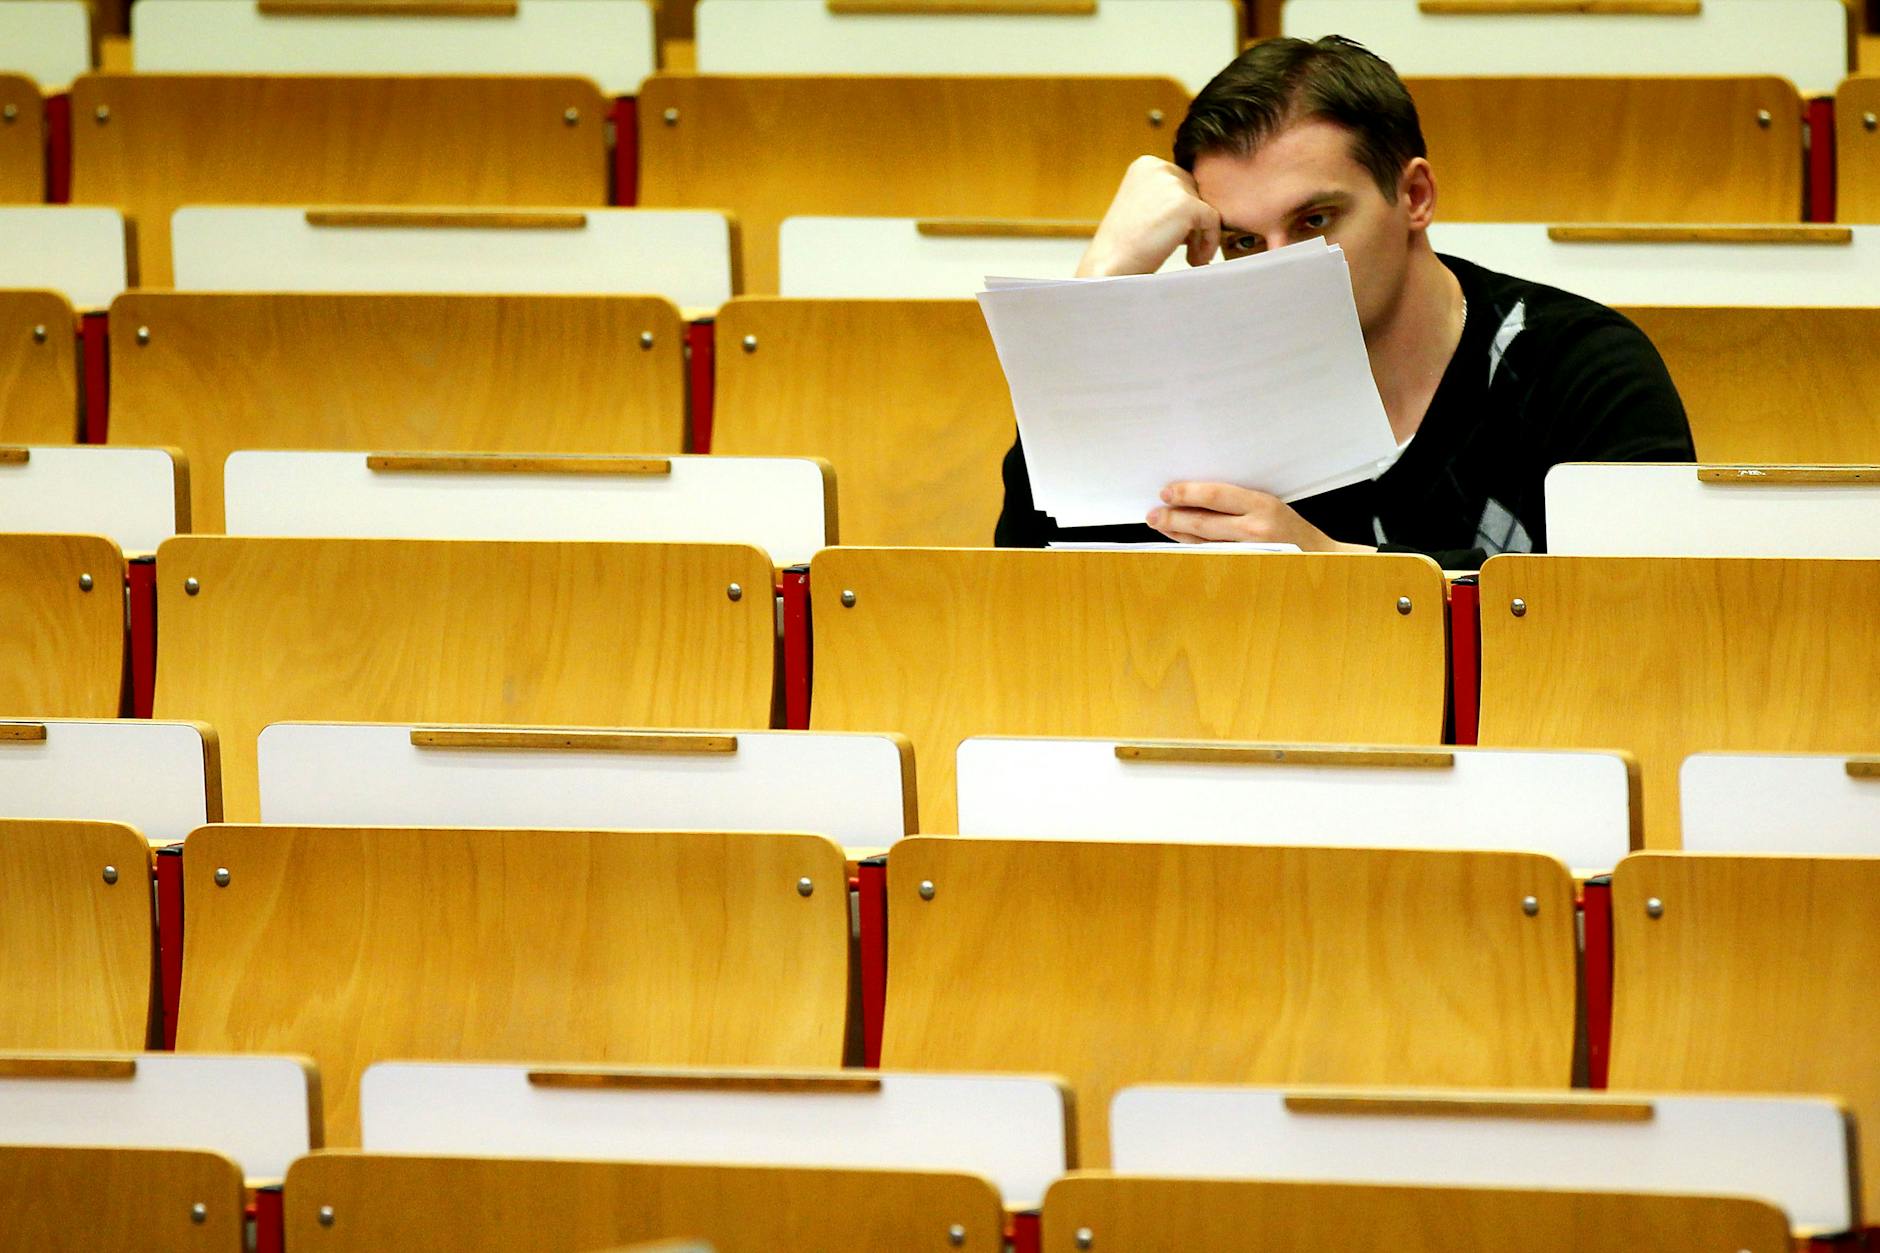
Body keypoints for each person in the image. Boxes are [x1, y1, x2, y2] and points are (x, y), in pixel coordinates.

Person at [994, 36, 1694, 569]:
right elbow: (1041, 597)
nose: (1279, 271)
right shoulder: (1198, 384)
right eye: (1243, 242)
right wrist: (1100, 283)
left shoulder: (1579, 367)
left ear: (1414, 196)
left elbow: (1636, 627)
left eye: (1315, 221)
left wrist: (1339, 574)